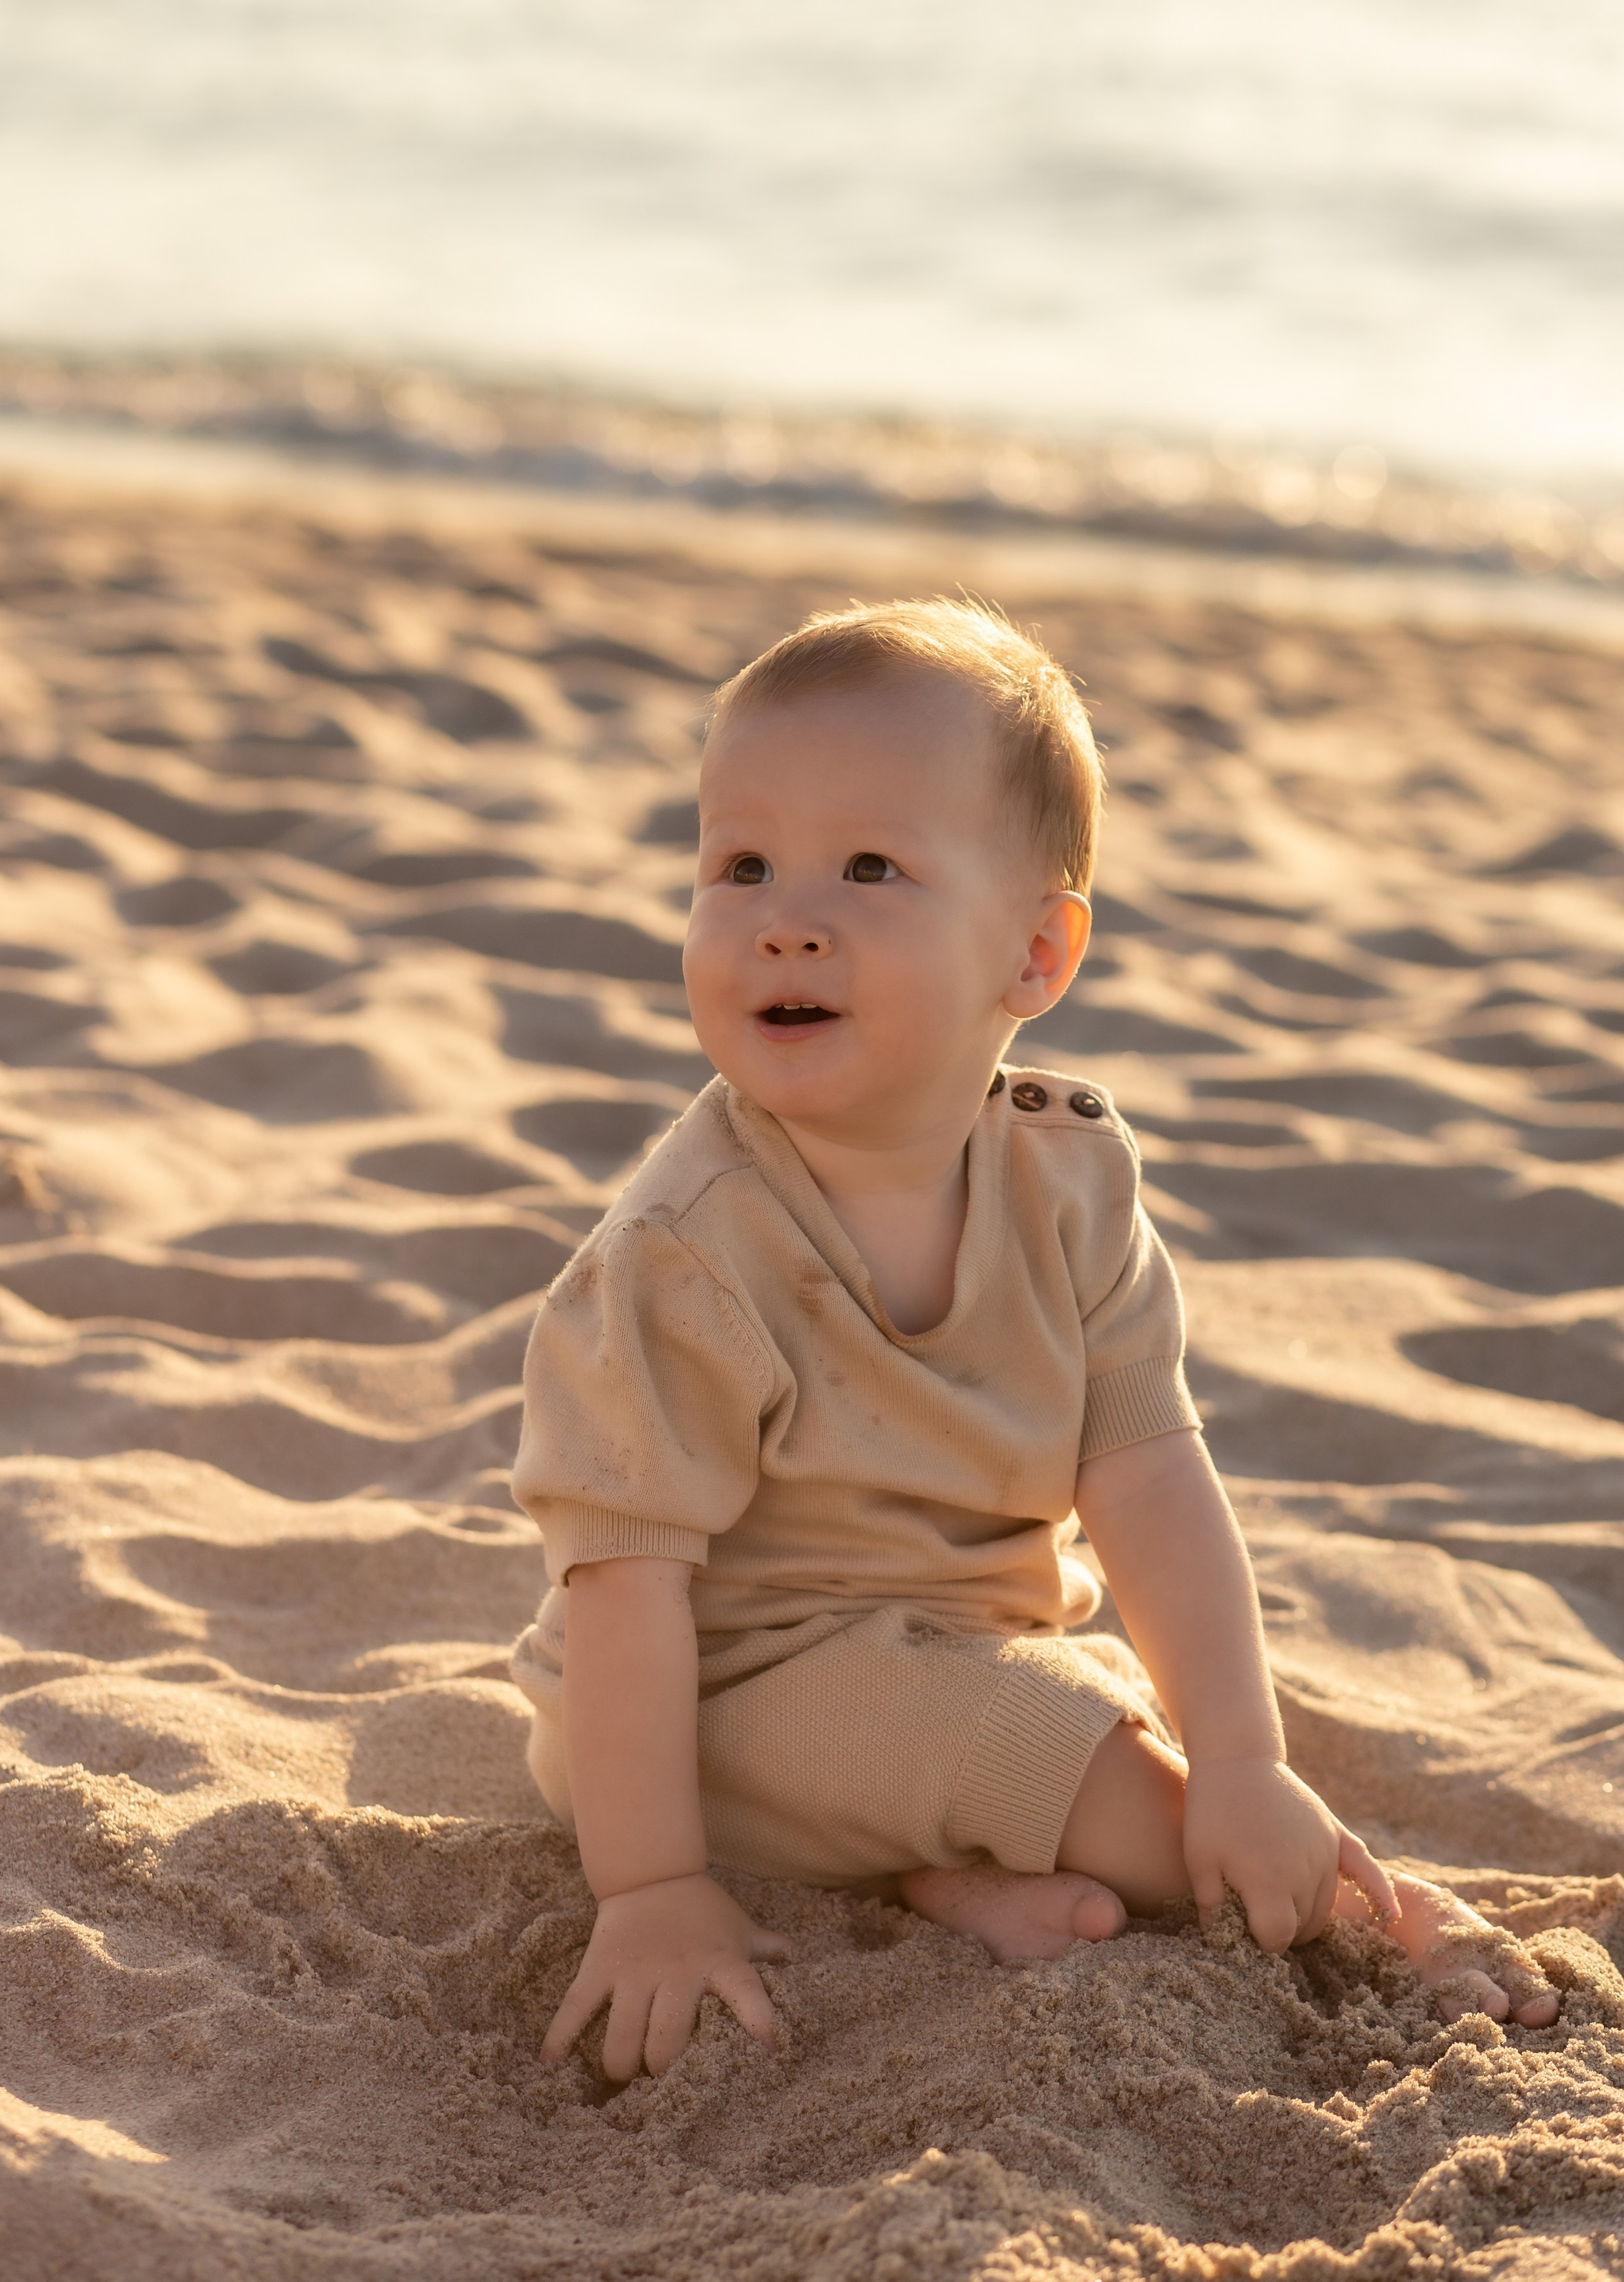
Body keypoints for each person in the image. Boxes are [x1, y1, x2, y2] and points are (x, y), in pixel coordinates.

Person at [509, 598, 1559, 2084]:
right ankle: (1366, 1918)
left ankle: (932, 1874)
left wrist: (1244, 1755)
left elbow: (1151, 1474)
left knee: (1112, 1718)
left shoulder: (1068, 1185)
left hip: (952, 1651)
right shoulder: (682, 1254)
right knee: (1089, 1773)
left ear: (1035, 953)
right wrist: (652, 1888)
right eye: (739, 866)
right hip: (700, 1710)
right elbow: (625, 1590)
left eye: (868, 868)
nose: (785, 918)